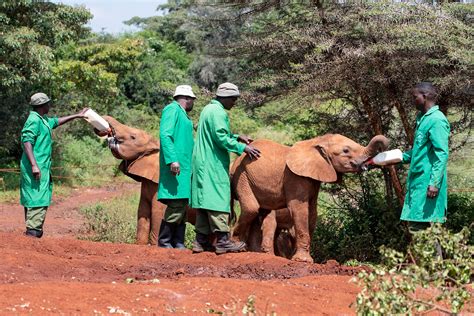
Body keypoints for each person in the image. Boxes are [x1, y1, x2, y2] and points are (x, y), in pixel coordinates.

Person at [191, 82, 261, 254]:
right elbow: (220, 138)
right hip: (212, 162)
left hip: (202, 161)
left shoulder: (208, 109)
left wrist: (237, 137)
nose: (234, 103)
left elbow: (216, 133)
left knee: (205, 201)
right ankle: (223, 241)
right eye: (233, 99)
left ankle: (200, 241)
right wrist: (243, 148)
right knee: (218, 199)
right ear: (226, 97)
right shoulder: (218, 112)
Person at [20, 92, 88, 238]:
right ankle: (33, 233)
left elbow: (56, 122)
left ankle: (33, 230)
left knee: (36, 196)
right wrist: (34, 165)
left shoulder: (42, 119)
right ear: (42, 105)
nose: (49, 105)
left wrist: (77, 115)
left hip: (41, 165)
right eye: (48, 103)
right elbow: (27, 141)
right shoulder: (34, 120)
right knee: (37, 197)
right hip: (36, 166)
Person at [401, 82, 450, 234]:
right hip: (418, 183)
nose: (413, 100)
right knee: (418, 227)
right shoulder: (422, 118)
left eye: (415, 97)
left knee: (427, 229)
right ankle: (428, 258)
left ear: (425, 96)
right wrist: (394, 157)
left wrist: (434, 183)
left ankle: (432, 259)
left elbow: (441, 153)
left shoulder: (437, 120)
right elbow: (418, 151)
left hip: (428, 184)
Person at [157, 85, 196, 249]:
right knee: (176, 203)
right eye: (192, 99)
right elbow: (165, 134)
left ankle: (178, 241)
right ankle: (165, 241)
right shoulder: (172, 109)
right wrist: (172, 160)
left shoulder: (183, 115)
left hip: (185, 167)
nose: (193, 102)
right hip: (176, 166)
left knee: (182, 203)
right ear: (187, 99)